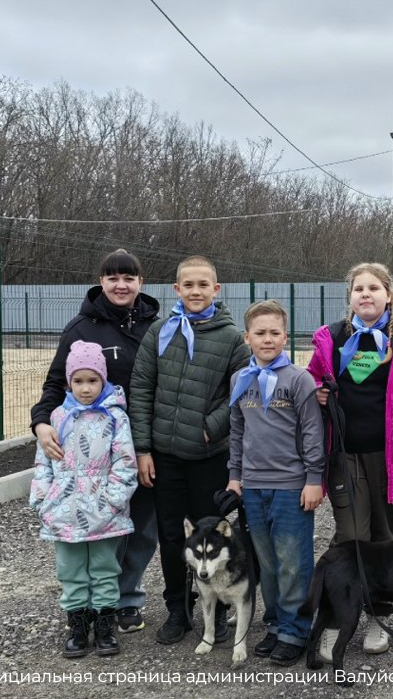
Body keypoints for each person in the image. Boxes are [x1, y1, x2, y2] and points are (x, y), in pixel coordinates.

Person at [30, 249, 160, 634]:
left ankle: (126, 598)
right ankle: (94, 605)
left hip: (146, 445)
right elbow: (55, 385)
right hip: (94, 456)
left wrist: (148, 447)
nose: (121, 285)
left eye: (129, 278)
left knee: (141, 527)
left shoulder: (157, 327)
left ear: (141, 282)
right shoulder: (81, 329)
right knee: (103, 529)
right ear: (101, 281)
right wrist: (40, 424)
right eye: (113, 277)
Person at [306, 262, 393, 658]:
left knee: (384, 535)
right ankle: (332, 619)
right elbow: (309, 382)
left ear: (388, 295)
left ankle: (377, 615)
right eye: (358, 288)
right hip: (344, 455)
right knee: (348, 536)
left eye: (374, 288)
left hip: (385, 459)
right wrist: (317, 392)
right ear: (350, 297)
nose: (365, 294)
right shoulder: (332, 339)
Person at [129, 255, 251, 645]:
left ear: (216, 290)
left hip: (208, 456)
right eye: (188, 284)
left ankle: (218, 603)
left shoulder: (232, 338)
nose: (195, 291)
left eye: (203, 285)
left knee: (214, 536)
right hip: (164, 457)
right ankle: (177, 610)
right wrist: (143, 448)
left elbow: (241, 389)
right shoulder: (160, 332)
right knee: (171, 536)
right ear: (176, 289)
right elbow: (142, 388)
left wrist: (208, 428)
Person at [226, 300, 325, 666]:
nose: (267, 340)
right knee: (266, 562)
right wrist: (235, 477)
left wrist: (314, 478)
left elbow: (313, 432)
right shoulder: (240, 380)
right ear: (247, 337)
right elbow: (237, 430)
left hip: (290, 485)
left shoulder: (298, 380)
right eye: (260, 333)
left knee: (292, 561)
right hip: (252, 485)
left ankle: (295, 630)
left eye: (274, 333)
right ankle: (274, 623)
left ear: (286, 336)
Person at [31, 341, 137, 658]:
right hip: (63, 511)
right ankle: (78, 626)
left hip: (105, 512)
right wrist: (42, 501)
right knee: (70, 569)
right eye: (79, 381)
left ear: (103, 380)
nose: (86, 388)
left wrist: (112, 502)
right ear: (68, 382)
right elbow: (43, 463)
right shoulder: (58, 418)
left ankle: (105, 625)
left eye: (93, 381)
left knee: (105, 567)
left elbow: (125, 462)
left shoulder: (115, 418)